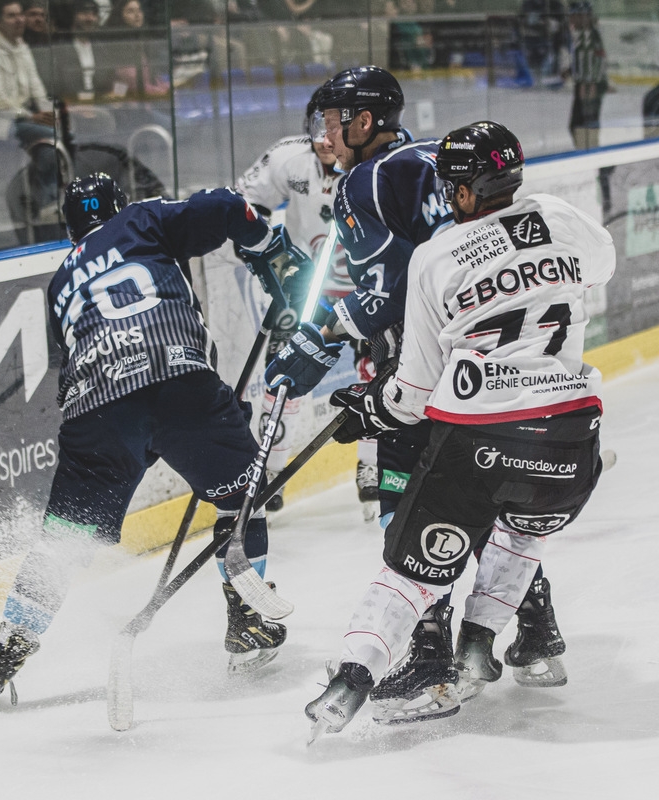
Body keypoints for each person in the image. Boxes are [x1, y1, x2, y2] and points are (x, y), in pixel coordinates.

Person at [265, 67, 573, 723]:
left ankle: (430, 655)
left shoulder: (366, 180)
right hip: (498, 367)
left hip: (427, 370)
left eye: (336, 118)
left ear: (368, 120)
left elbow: (388, 295)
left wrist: (316, 338)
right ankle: (536, 635)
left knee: (408, 504)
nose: (326, 132)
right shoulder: (434, 161)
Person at [303, 120, 616, 738]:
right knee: (521, 535)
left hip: (480, 440)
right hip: (574, 443)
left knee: (412, 571)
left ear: (464, 191)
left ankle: (354, 679)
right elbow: (600, 265)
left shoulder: (435, 255)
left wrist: (369, 409)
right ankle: (481, 643)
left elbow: (414, 395)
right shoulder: (559, 214)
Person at [0, 173, 313, 700]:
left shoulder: (61, 280)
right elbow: (224, 205)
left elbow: (87, 357)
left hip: (94, 411)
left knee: (64, 540)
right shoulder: (143, 219)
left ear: (70, 228)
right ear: (118, 205)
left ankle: (10, 644)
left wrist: (148, 433)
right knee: (243, 495)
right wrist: (270, 249)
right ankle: (246, 617)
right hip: (176, 378)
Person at [234, 88, 378, 517]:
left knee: (374, 374)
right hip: (303, 289)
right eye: (319, 127)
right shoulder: (287, 159)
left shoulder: (375, 164)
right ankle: (267, 471)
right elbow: (243, 203)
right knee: (282, 376)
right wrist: (268, 252)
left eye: (334, 127)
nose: (325, 138)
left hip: (363, 289)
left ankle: (371, 466)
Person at [0, 0, 69, 214]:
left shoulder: (22, 48)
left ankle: (55, 198)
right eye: (11, 16)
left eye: (20, 14)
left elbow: (37, 89)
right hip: (0, 123)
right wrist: (32, 117)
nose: (19, 20)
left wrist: (50, 113)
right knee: (48, 136)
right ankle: (47, 201)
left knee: (61, 131)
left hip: (25, 118)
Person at [566, 0, 607, 150]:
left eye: (575, 16)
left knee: (584, 124)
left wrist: (588, 85)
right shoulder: (582, 34)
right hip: (586, 85)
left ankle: (590, 155)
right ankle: (588, 153)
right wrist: (570, 71)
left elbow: (595, 61)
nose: (571, 19)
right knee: (582, 124)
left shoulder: (588, 35)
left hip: (588, 87)